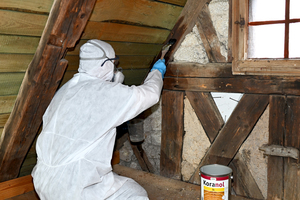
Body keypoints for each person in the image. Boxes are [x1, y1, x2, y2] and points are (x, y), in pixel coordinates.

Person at [31, 39, 166, 200]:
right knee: (135, 194)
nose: (115, 66)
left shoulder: (66, 89)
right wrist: (157, 72)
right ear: (105, 63)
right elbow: (150, 94)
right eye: (113, 62)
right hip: (76, 187)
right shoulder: (105, 93)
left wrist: (112, 85)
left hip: (44, 182)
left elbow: (90, 109)